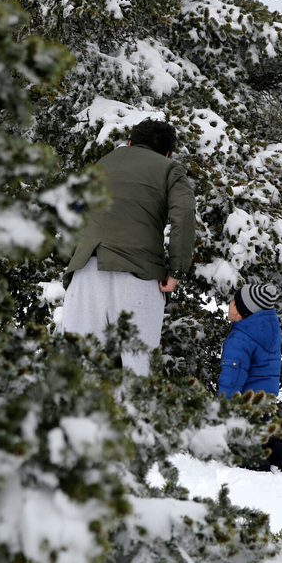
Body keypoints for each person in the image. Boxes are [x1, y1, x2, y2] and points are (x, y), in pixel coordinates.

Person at [61, 119, 195, 376]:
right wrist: (177, 271)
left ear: (131, 142)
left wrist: (78, 255)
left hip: (86, 272)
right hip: (138, 275)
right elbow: (184, 214)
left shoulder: (102, 164)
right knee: (138, 372)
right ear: (167, 152)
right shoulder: (169, 169)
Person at [218, 283, 282, 473]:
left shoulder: (240, 338)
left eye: (233, 302)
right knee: (268, 439)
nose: (230, 304)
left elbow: (232, 377)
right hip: (266, 404)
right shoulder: (267, 333)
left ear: (241, 313)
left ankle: (256, 467)